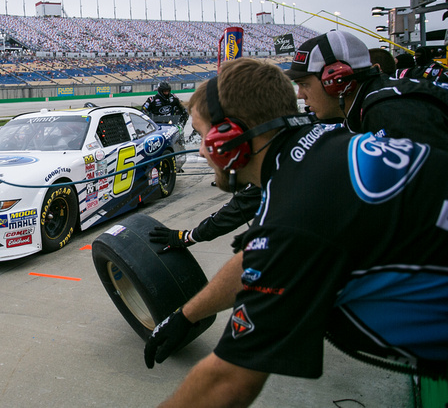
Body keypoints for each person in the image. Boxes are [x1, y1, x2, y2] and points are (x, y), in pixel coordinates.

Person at [145, 58, 448, 406]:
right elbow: (259, 257)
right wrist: (187, 315)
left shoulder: (298, 213)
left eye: (202, 136)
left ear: (230, 137)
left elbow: (227, 382)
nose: (200, 149)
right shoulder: (320, 149)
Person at [286, 30, 448, 146]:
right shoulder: (373, 102)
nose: (300, 95)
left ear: (336, 80)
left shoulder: (390, 112)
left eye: (304, 84)